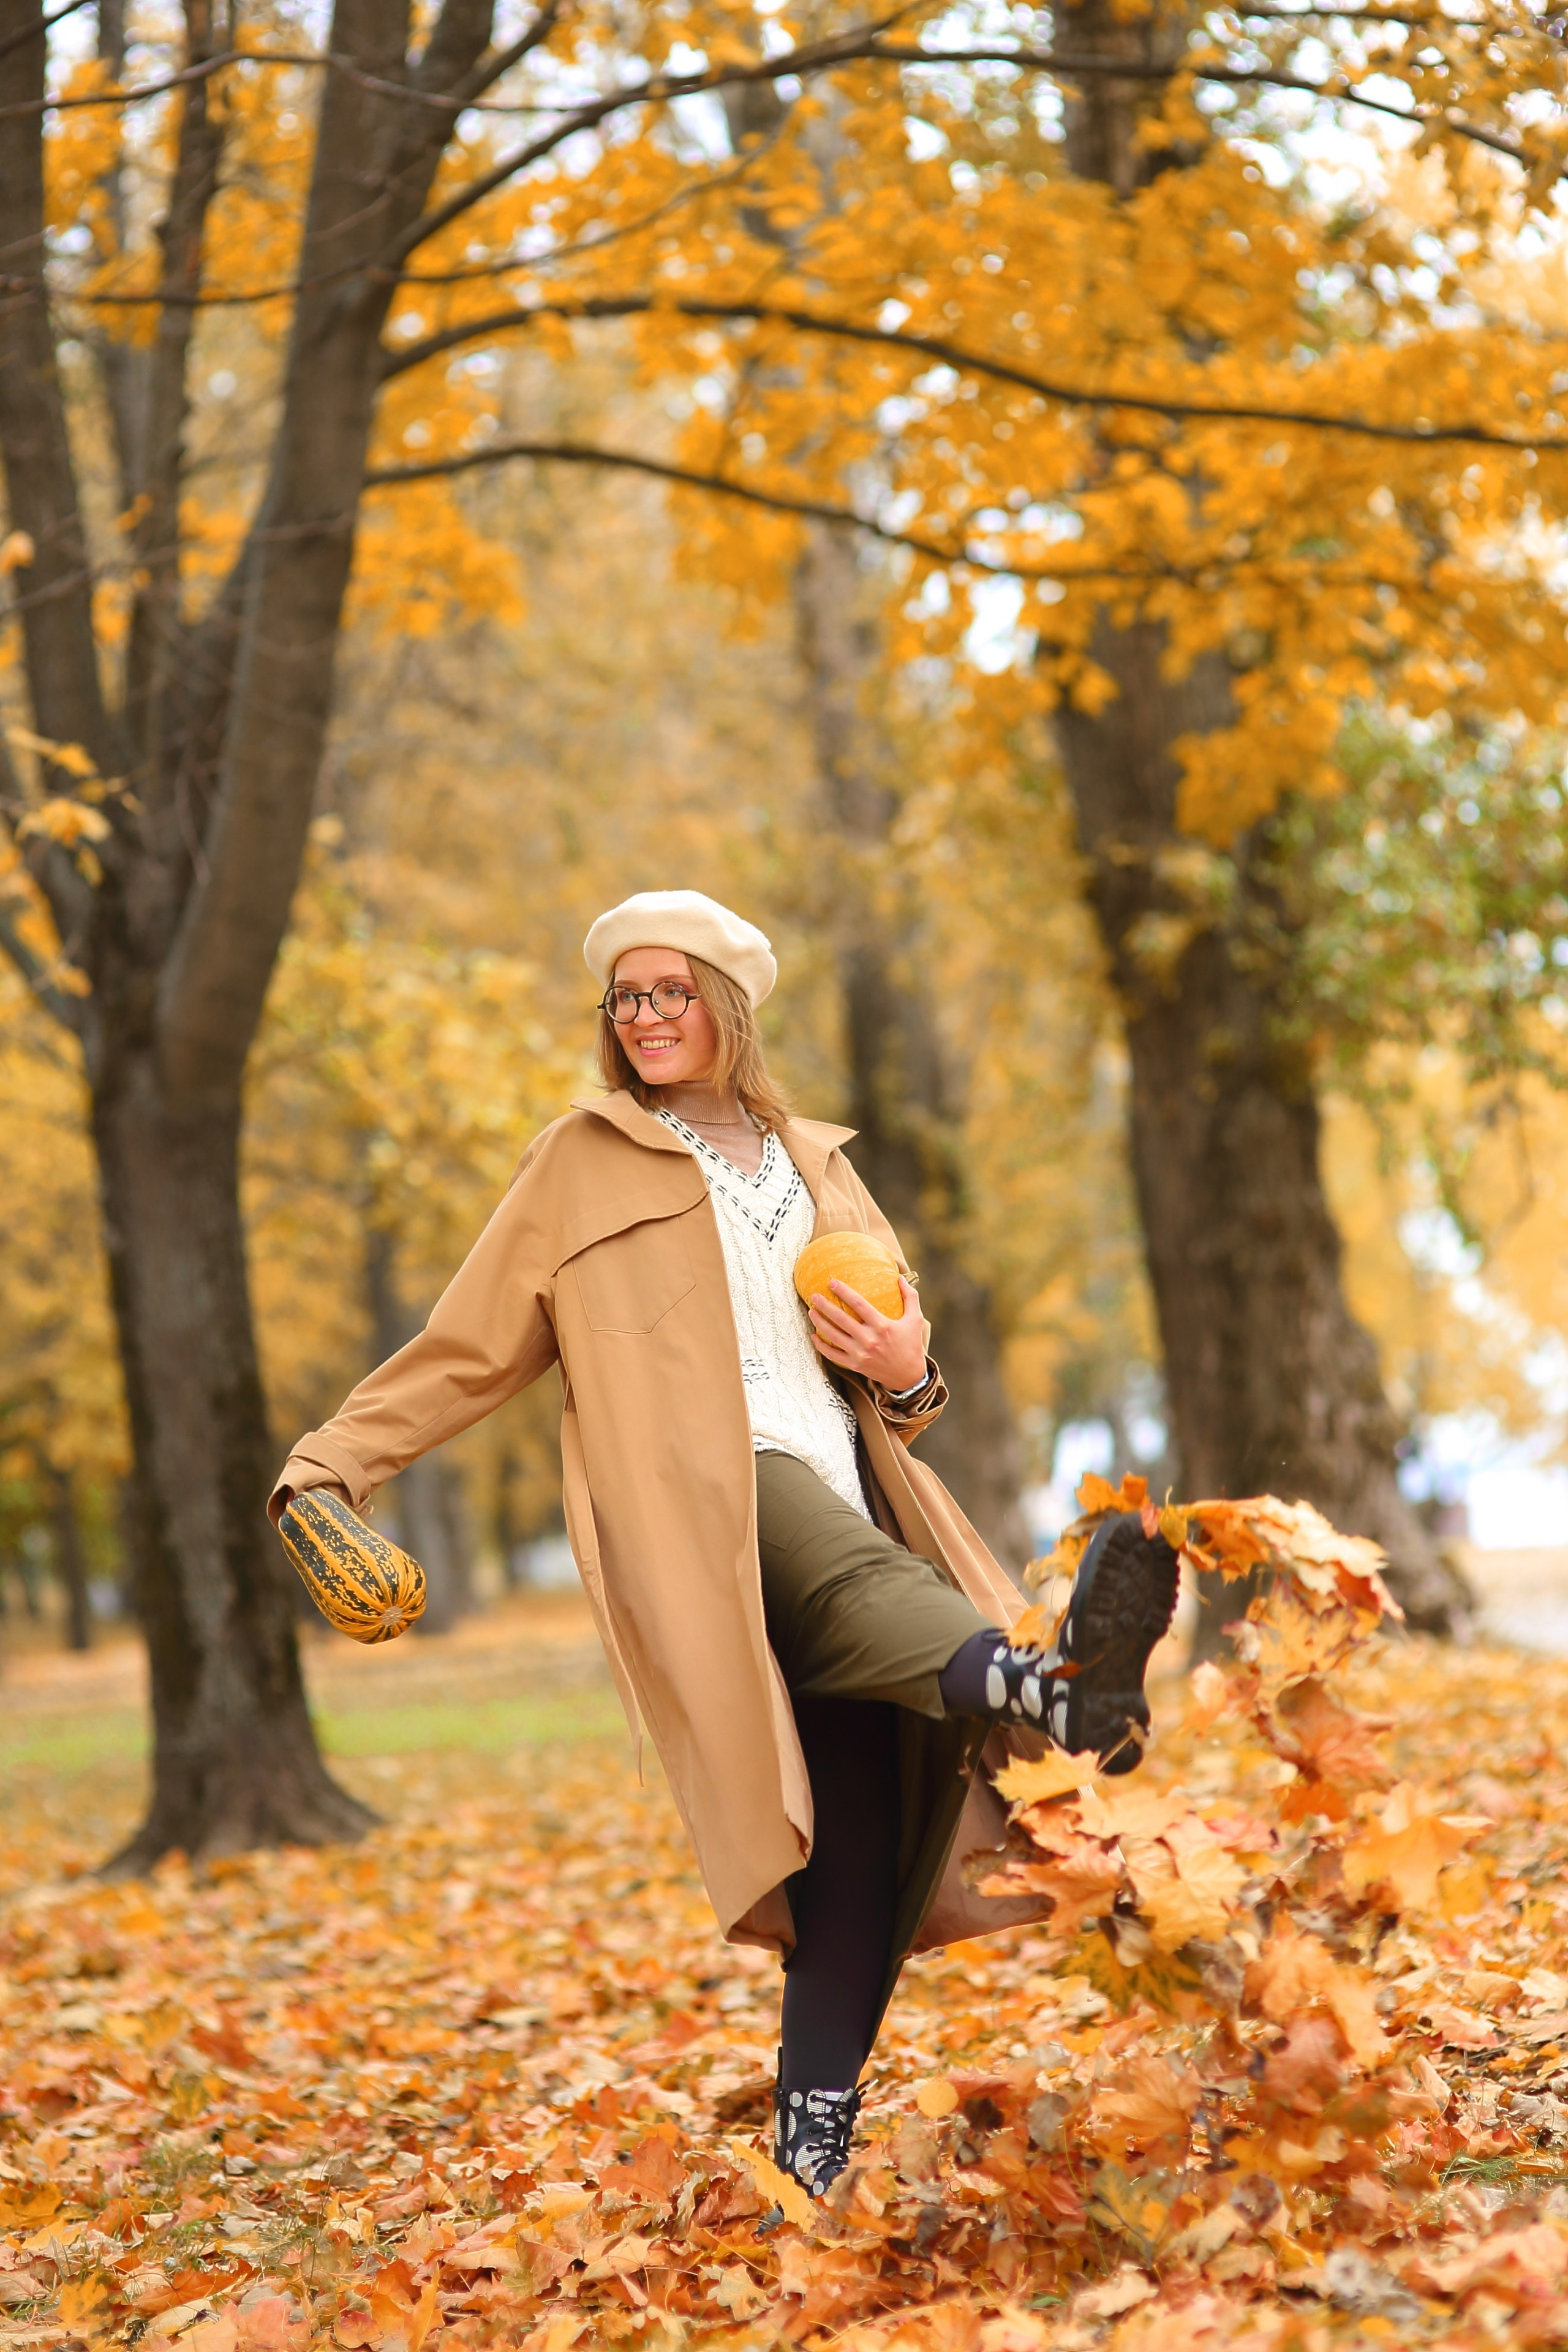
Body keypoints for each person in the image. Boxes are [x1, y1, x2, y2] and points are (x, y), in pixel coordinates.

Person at [269, 891, 1179, 2196]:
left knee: (860, 1838)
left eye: (670, 993)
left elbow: (903, 1380)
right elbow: (465, 1348)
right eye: (625, 998)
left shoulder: (819, 1165)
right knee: (859, 1594)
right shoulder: (577, 1163)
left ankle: (808, 2156)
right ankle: (1049, 1688)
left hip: (848, 1485)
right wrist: (327, 1468)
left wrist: (909, 1366)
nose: (644, 1016)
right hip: (703, 1503)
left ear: (727, 1008)